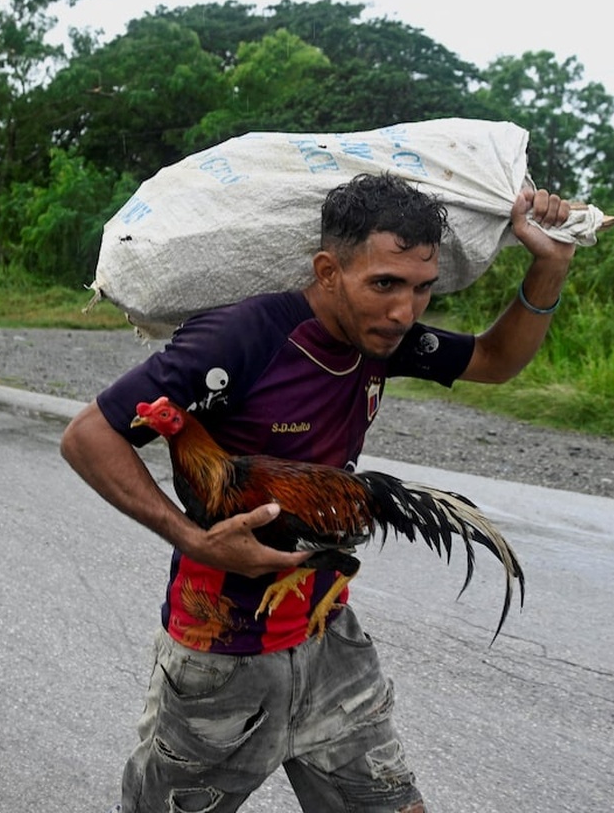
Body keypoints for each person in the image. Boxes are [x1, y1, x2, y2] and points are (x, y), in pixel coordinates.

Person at [60, 172, 575, 812]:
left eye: (422, 289)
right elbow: (89, 435)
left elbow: (496, 361)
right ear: (328, 271)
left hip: (327, 634)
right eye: (383, 284)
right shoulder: (243, 337)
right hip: (223, 653)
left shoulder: (386, 340)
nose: (404, 311)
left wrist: (549, 266)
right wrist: (197, 540)